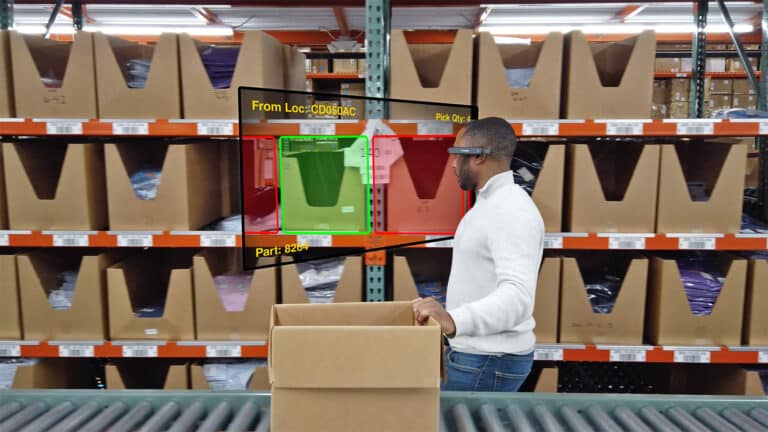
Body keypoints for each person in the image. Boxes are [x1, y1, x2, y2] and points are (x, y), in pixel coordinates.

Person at [412, 117, 544, 392]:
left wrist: (455, 320)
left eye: (457, 154)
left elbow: (518, 297)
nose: (452, 164)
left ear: (480, 156)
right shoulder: (490, 204)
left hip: (488, 359)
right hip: (479, 354)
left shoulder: (510, 210)